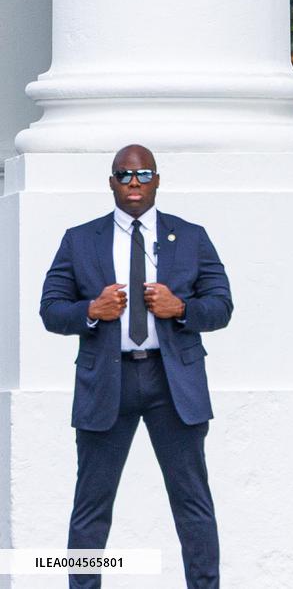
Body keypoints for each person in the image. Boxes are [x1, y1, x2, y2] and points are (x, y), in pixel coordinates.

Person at [40, 145, 233, 588]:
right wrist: (91, 309)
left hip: (173, 382)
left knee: (193, 504)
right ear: (110, 182)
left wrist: (180, 307)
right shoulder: (79, 239)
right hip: (107, 380)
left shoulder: (191, 236)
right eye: (124, 175)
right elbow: (50, 310)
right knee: (91, 505)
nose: (133, 183)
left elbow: (221, 306)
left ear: (157, 181)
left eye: (143, 175)